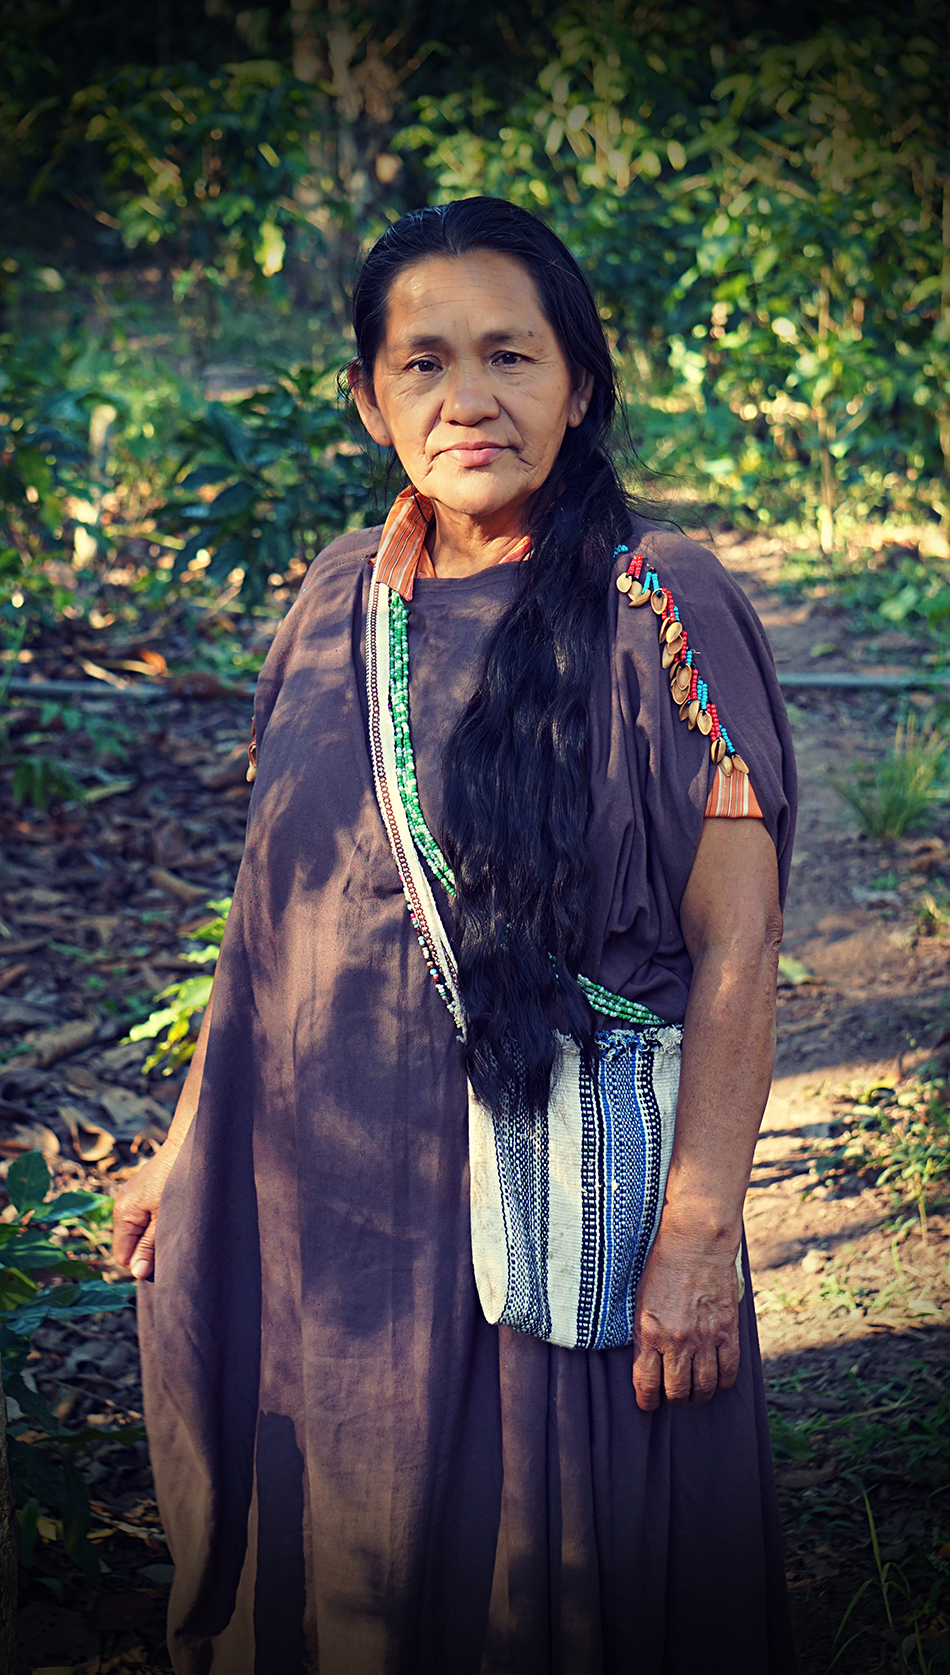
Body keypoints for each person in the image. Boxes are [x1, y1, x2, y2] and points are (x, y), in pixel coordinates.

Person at [113, 196, 798, 1675]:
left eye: (510, 355)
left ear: (581, 385)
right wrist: (186, 1146)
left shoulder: (658, 600)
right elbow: (264, 923)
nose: (467, 399)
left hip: (552, 1203)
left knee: (538, 1591)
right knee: (347, 1557)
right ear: (368, 398)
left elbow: (735, 952)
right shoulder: (332, 601)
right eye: (422, 363)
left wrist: (690, 1244)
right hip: (334, 1197)